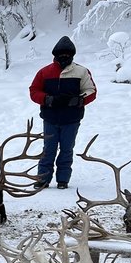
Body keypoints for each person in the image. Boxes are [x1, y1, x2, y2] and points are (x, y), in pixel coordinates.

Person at [29, 36, 96, 190]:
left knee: (66, 150)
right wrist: (48, 99)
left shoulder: (81, 71)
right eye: (61, 53)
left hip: (72, 119)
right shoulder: (45, 72)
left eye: (68, 54)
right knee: (48, 150)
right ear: (55, 54)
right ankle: (43, 179)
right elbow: (34, 91)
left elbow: (91, 90)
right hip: (50, 118)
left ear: (72, 55)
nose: (64, 56)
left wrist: (79, 100)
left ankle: (63, 180)